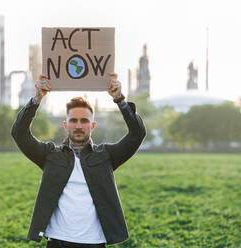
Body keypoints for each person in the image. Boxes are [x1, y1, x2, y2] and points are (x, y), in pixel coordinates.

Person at [11, 73, 146, 247]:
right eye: (73, 120)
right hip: (58, 242)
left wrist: (120, 99)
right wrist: (37, 99)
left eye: (84, 121)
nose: (79, 125)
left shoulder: (106, 155)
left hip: (94, 242)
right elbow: (19, 134)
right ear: (66, 125)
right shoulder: (50, 155)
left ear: (92, 125)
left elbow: (137, 134)